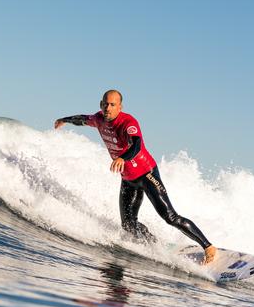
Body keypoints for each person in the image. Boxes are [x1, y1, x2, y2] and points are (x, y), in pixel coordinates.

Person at [54, 90, 217, 264]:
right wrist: (64, 120)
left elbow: (137, 145)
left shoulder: (128, 122)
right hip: (128, 179)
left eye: (113, 105)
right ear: (101, 104)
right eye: (105, 104)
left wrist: (122, 158)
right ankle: (152, 243)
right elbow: (82, 119)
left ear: (120, 107)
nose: (108, 108)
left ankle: (208, 247)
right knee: (128, 225)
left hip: (146, 174)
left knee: (170, 216)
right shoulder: (98, 118)